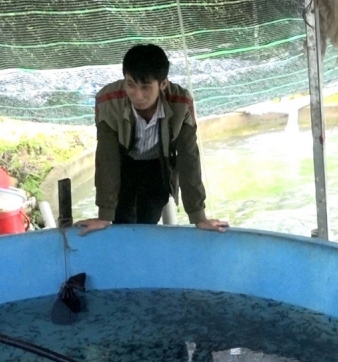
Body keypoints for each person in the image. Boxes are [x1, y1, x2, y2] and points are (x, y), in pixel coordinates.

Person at [76, 44, 228, 235]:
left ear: (162, 84)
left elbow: (188, 158)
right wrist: (104, 216)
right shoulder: (108, 101)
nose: (137, 95)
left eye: (146, 87)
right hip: (124, 163)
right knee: (122, 218)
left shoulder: (181, 103)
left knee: (148, 218)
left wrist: (199, 217)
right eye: (131, 85)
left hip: (158, 165)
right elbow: (107, 158)